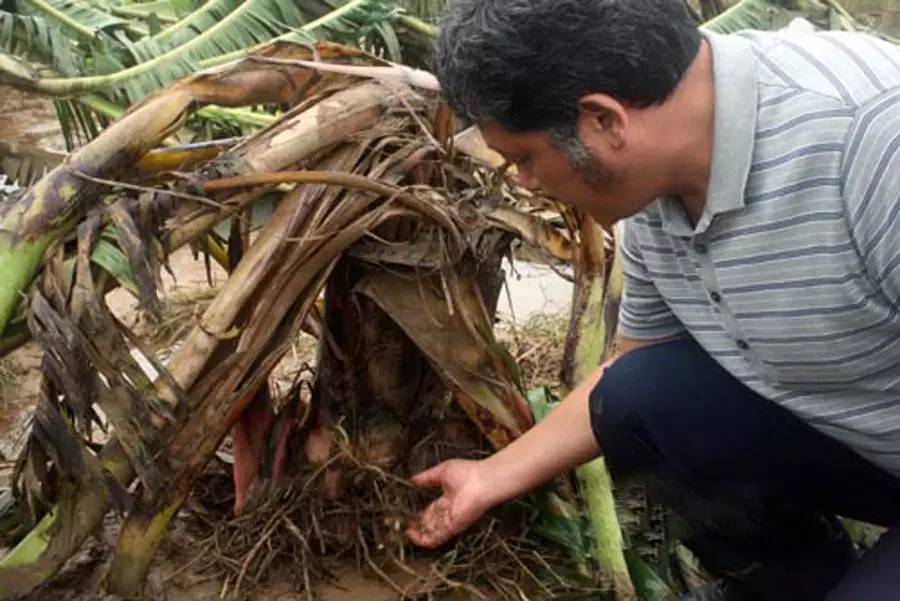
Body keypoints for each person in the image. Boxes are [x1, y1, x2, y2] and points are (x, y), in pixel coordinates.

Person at [404, 1, 900, 599]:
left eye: (524, 158)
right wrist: (488, 477)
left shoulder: (873, 143)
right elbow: (635, 368)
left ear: (603, 122)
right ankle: (797, 581)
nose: (524, 183)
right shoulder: (658, 192)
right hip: (873, 447)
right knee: (640, 397)